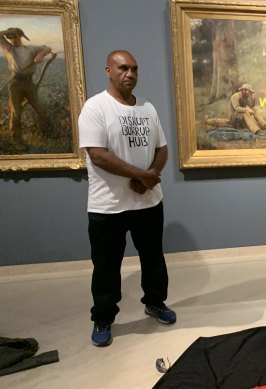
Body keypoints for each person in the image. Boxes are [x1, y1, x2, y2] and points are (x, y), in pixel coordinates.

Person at [78, 50, 176, 347]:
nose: (129, 73)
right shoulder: (95, 107)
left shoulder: (147, 107)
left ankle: (155, 302)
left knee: (153, 258)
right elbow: (98, 155)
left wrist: (151, 176)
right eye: (123, 68)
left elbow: (162, 149)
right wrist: (142, 175)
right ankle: (103, 317)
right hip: (107, 206)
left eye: (134, 68)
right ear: (109, 70)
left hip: (148, 202)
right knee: (107, 266)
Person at [0, 27, 52, 146]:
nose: (12, 39)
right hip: (15, 83)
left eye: (15, 36)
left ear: (20, 37)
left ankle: (48, 134)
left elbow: (48, 48)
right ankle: (16, 140)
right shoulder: (8, 48)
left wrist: (41, 55)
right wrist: (9, 32)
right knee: (16, 113)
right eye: (10, 37)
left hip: (29, 83)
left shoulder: (31, 49)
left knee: (40, 109)